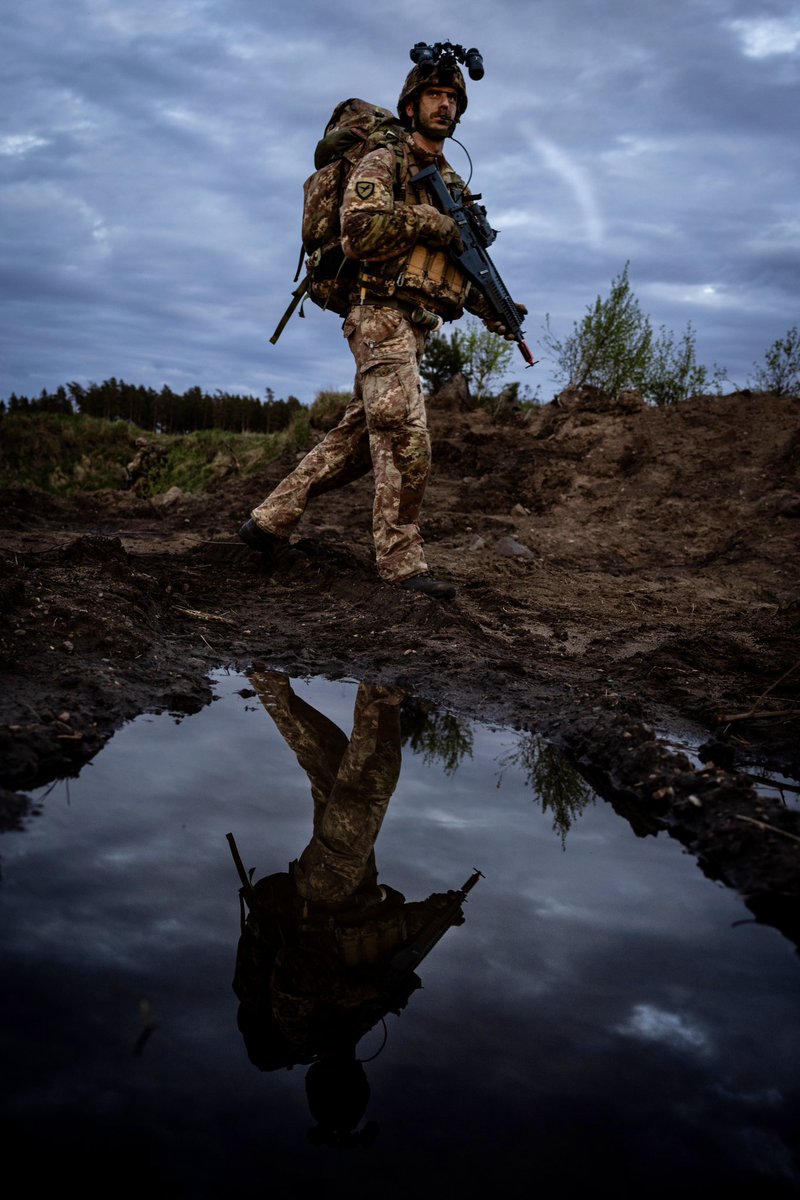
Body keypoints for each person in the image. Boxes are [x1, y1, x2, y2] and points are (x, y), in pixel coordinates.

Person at [239, 55, 526, 600]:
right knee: (404, 439)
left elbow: (455, 267)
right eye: (436, 94)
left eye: (454, 98)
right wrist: (429, 221)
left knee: (353, 443)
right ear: (411, 104)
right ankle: (401, 563)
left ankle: (269, 520)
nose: (446, 105)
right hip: (378, 314)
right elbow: (359, 231)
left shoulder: (451, 182)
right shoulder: (385, 158)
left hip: (414, 327)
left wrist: (495, 310)